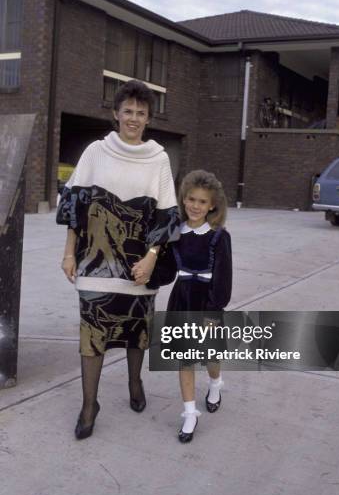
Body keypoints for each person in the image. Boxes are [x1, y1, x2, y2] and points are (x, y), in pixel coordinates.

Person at [56, 79, 179, 439]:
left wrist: (153, 259)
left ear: (148, 118)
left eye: (141, 113)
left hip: (139, 266)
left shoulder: (158, 158)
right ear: (115, 113)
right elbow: (75, 204)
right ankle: (89, 405)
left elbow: (168, 215)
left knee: (137, 331)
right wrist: (68, 252)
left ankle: (134, 383)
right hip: (94, 263)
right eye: (128, 111)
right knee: (91, 334)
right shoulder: (96, 151)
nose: (134, 118)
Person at [167, 170, 232, 443]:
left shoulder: (218, 236)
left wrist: (212, 312)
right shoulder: (175, 233)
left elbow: (224, 279)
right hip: (181, 299)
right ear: (183, 200)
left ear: (212, 205)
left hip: (206, 300)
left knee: (209, 358)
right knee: (185, 360)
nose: (195, 206)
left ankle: (215, 384)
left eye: (202, 202)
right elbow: (167, 271)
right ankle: (190, 413)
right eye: (191, 199)